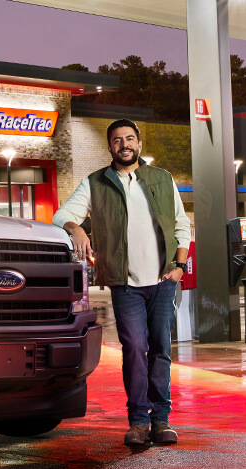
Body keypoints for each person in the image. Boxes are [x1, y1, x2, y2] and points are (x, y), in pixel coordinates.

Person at [53, 119, 194, 446]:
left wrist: (179, 266)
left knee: (160, 350)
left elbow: (181, 224)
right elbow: (61, 214)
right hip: (125, 284)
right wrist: (76, 228)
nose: (124, 144)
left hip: (162, 281)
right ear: (110, 147)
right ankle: (138, 423)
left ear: (139, 144)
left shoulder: (162, 179)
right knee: (133, 350)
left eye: (130, 138)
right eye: (118, 140)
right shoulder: (96, 183)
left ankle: (161, 421)